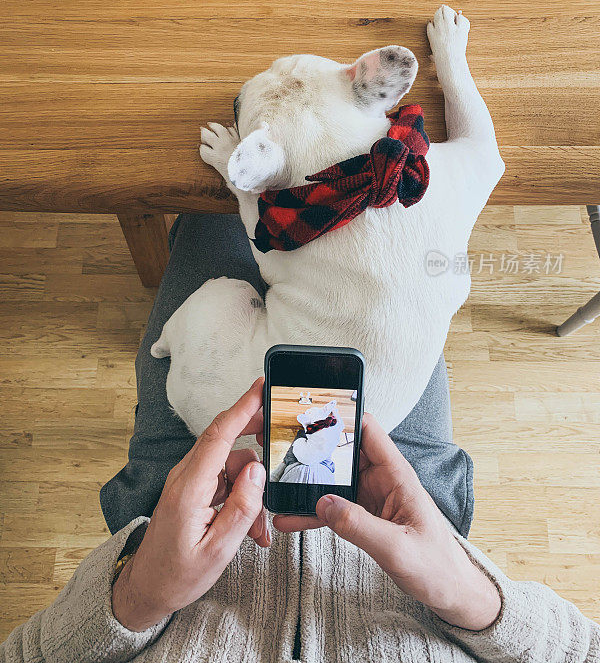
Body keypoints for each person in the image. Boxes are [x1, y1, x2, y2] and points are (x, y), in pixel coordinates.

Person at [1, 215, 599, 662]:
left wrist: (135, 598)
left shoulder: (147, 582)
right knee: (383, 245)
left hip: (172, 522)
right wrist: (470, 595)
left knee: (212, 215)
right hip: (409, 515)